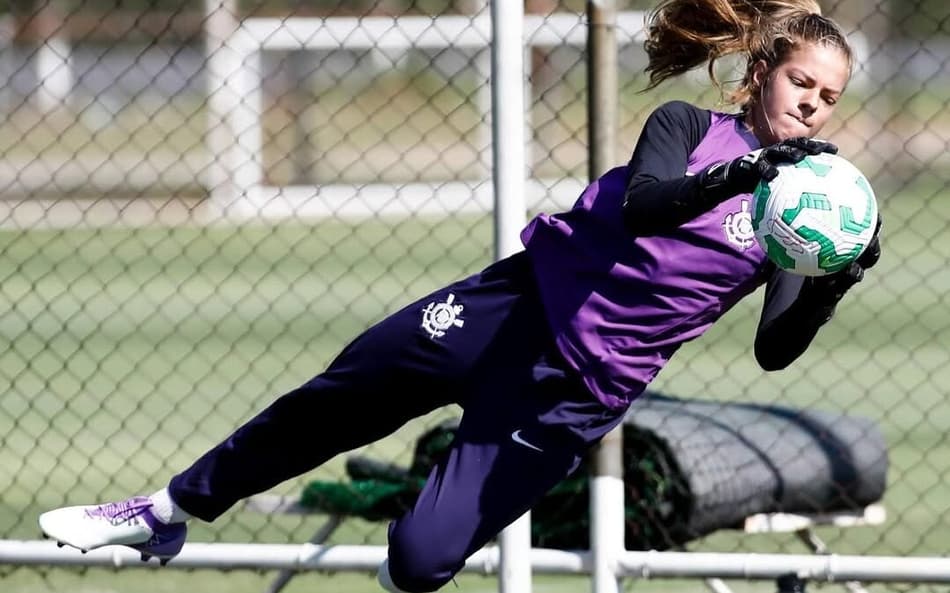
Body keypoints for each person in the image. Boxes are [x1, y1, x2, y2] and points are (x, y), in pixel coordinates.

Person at [38, 0, 882, 591]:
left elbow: (778, 347)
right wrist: (738, 174)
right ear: (759, 70)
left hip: (571, 396)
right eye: (802, 82)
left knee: (418, 562)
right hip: (510, 310)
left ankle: (429, 511)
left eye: (830, 98)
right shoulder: (692, 131)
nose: (813, 105)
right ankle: (164, 508)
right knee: (337, 399)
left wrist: (834, 279)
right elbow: (643, 207)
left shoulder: (795, 217)